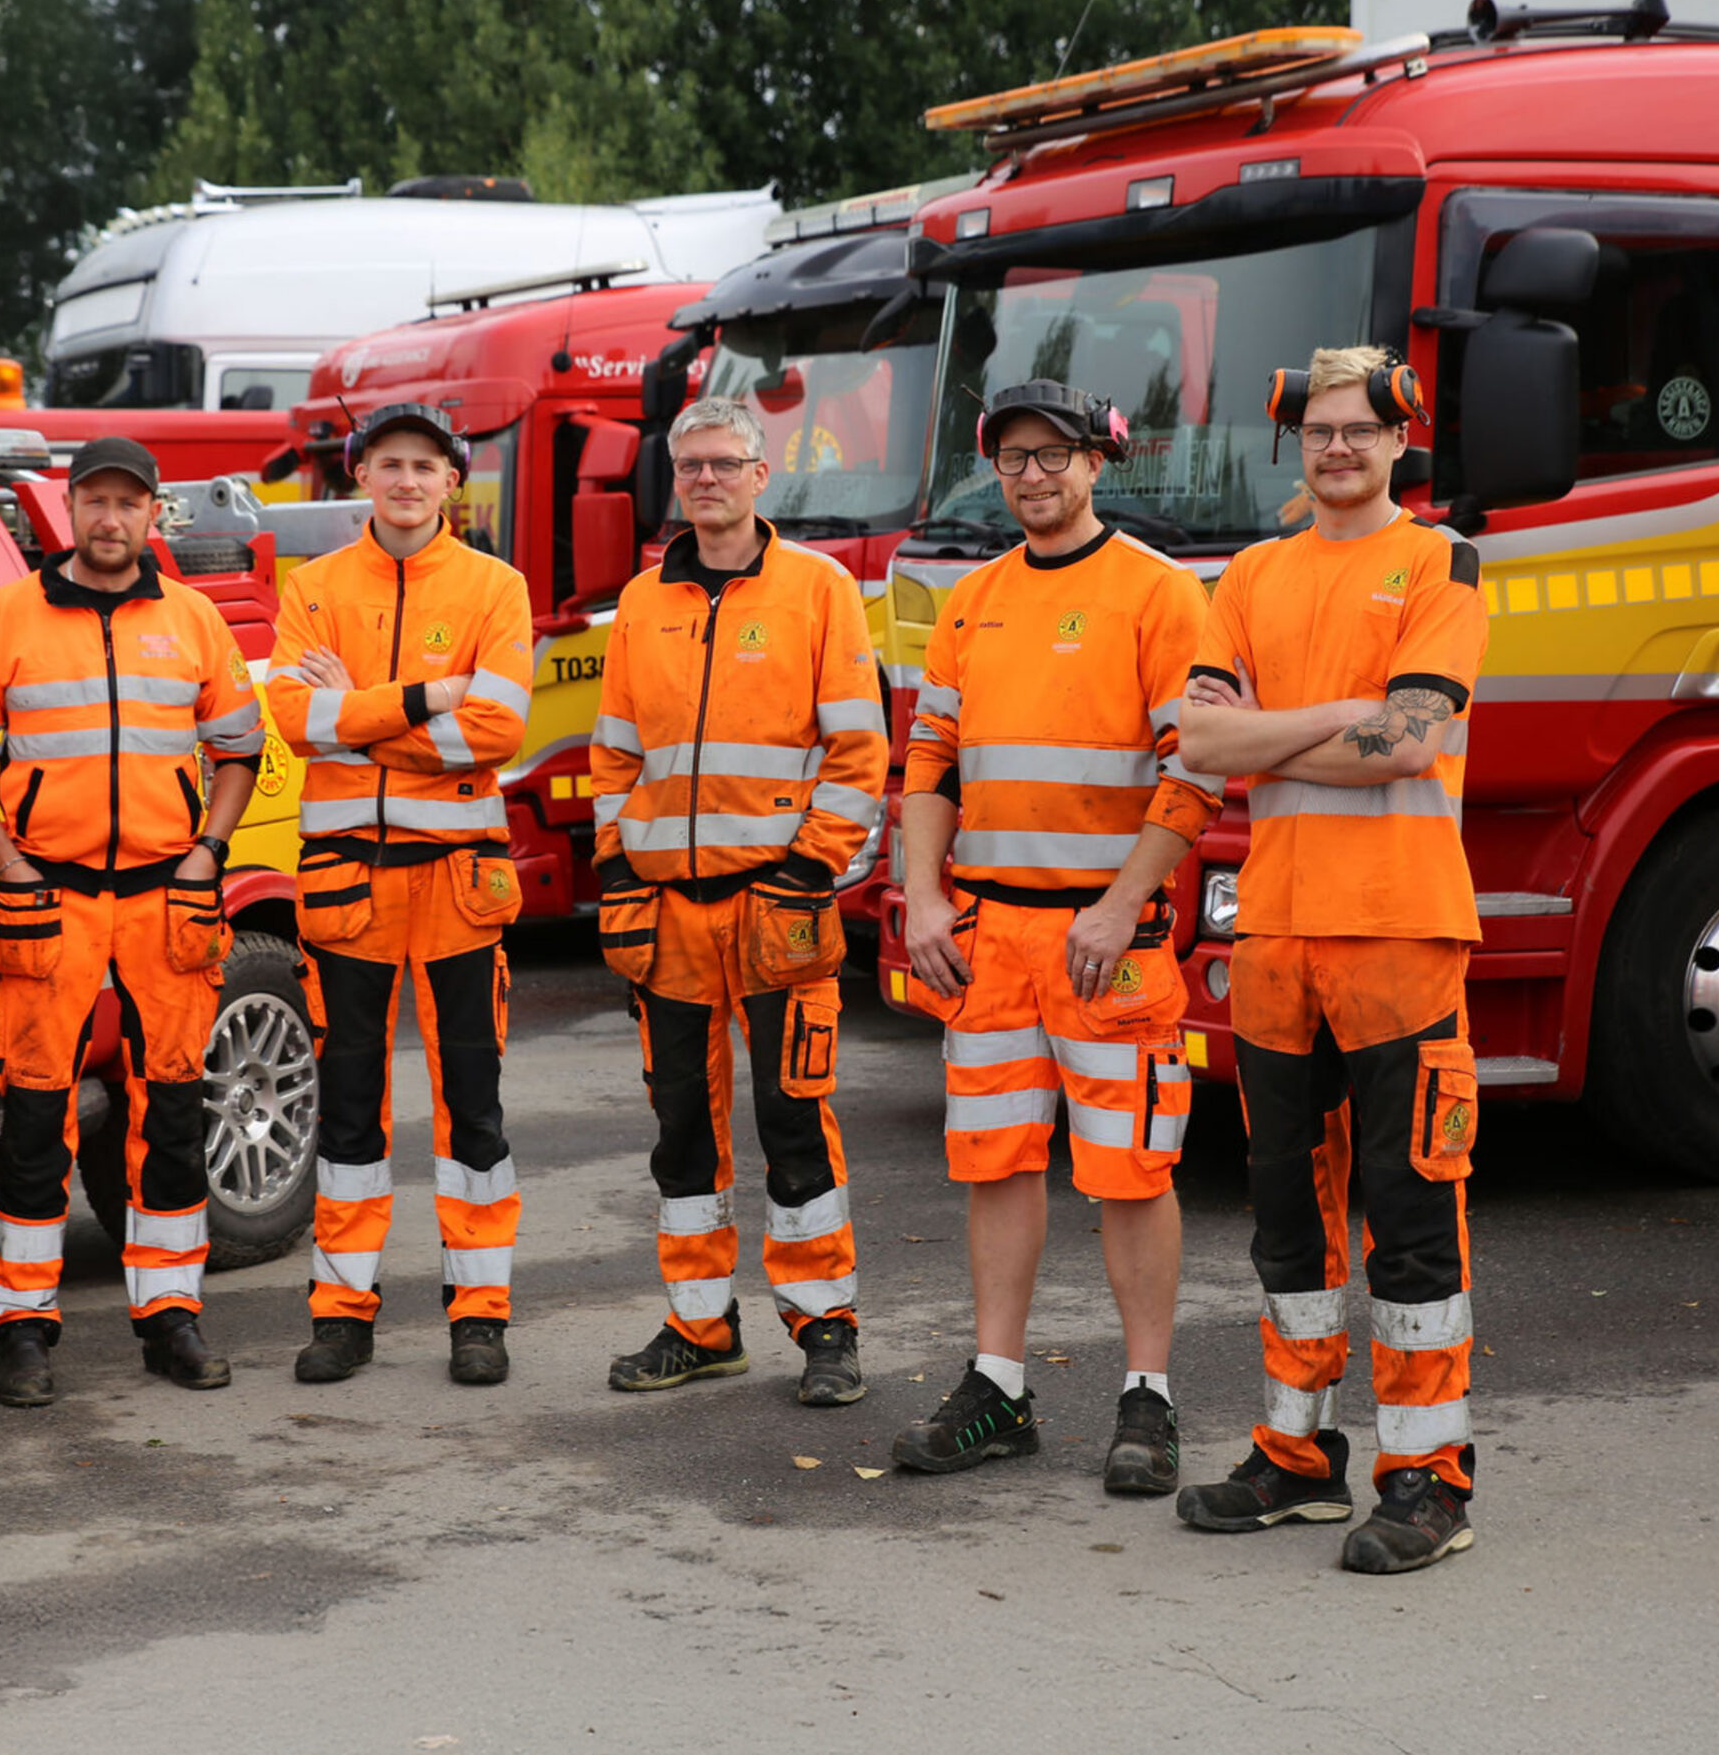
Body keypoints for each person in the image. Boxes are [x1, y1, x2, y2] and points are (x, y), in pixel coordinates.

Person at [1173, 346, 1488, 1574]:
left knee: (1410, 1215)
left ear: (1398, 441)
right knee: (1283, 1222)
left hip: (1401, 930)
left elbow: (1409, 742)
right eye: (1317, 430)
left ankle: (1428, 1476)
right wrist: (1330, 718)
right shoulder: (1249, 572)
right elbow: (1198, 737)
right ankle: (1296, 1457)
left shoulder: (1437, 560)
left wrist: (1269, 733)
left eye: (1359, 429)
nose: (1338, 447)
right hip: (1275, 937)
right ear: (1294, 443)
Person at [891, 382, 1221, 1486]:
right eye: (1010, 458)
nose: (1029, 475)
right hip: (989, 937)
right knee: (996, 1159)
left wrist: (1124, 900)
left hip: (1105, 939)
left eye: (1051, 455)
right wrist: (924, 896)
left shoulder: (1159, 595)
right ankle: (999, 1384)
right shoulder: (970, 598)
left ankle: (1147, 1398)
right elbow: (928, 762)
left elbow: (1196, 766)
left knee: (1130, 1171)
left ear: (1095, 462)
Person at [0, 436, 264, 1407]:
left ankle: (171, 1318)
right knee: (35, 1121)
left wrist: (209, 847)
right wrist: (9, 862)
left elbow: (237, 746)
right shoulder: (8, 616)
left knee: (170, 1114)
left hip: (169, 895)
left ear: (154, 513)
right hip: (52, 898)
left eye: (129, 501)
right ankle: (24, 1332)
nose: (111, 518)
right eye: (95, 501)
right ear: (68, 509)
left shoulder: (193, 619)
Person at [589, 394, 888, 1407]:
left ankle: (826, 1327)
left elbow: (859, 751)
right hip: (667, 912)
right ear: (675, 479)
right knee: (682, 1126)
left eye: (724, 462)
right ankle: (699, 1323)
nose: (706, 479)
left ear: (763, 474)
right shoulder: (641, 601)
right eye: (690, 466)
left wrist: (809, 868)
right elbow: (615, 753)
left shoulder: (818, 589)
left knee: (792, 1115)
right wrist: (616, 864)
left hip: (778, 908)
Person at [263, 403, 534, 1386]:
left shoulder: (497, 587)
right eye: (389, 464)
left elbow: (499, 732)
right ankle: (342, 1308)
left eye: (425, 464)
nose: (407, 480)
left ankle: (481, 1308)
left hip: (461, 888)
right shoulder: (313, 587)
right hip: (348, 888)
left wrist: (360, 714)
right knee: (347, 1112)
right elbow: (297, 719)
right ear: (361, 476)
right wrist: (430, 695)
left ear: (450, 481)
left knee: (475, 1109)